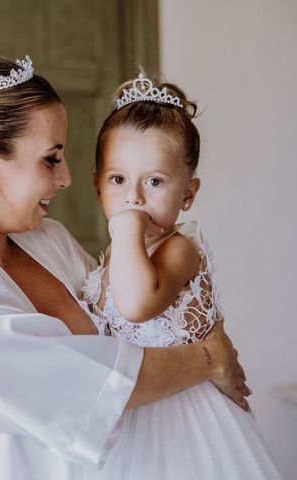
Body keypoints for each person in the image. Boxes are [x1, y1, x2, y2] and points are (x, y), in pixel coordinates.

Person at [0, 53, 249, 479]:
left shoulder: (48, 241)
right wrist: (209, 357)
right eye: (51, 158)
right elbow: (92, 388)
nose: (66, 178)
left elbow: (132, 318)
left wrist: (205, 317)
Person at [81, 73, 281, 478]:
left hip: (182, 425)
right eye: (118, 180)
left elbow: (136, 305)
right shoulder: (116, 253)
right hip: (128, 420)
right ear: (98, 188)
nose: (133, 198)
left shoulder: (178, 249)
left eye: (154, 182)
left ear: (187, 194)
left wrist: (123, 228)